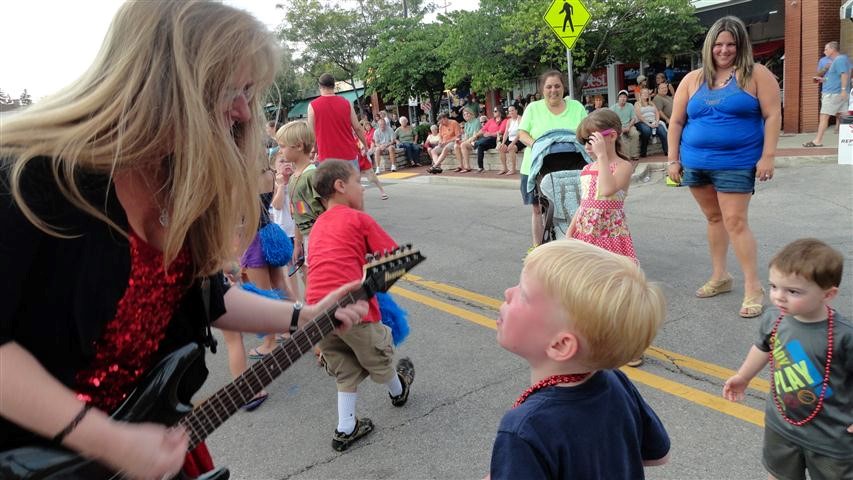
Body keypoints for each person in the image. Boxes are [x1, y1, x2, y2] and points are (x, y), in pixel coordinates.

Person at [0, 2, 368, 479]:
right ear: (161, 81)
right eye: (230, 89)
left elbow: (207, 297)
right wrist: (108, 441)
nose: (241, 111)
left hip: (143, 451)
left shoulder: (177, 180)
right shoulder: (30, 177)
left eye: (248, 92)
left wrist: (305, 316)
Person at [488, 239, 670, 479]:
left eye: (523, 293)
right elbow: (658, 455)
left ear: (561, 345)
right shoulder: (616, 383)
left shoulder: (526, 428)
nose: (508, 293)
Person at [667, 16, 781, 318]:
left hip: (737, 161)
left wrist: (768, 155)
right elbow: (676, 121)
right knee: (714, 219)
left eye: (731, 44)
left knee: (735, 221)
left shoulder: (756, 74)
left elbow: (772, 115)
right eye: (718, 44)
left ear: (740, 45)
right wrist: (672, 159)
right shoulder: (693, 79)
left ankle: (753, 287)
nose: (724, 50)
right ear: (709, 46)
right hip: (696, 162)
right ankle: (720, 276)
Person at [306, 160, 416, 451]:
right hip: (351, 310)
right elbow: (395, 259)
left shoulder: (318, 226)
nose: (363, 188)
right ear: (340, 186)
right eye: (358, 181)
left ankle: (346, 427)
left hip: (316, 314)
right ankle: (398, 390)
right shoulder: (357, 219)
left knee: (344, 367)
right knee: (378, 354)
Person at [723, 238, 852, 480]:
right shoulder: (774, 319)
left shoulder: (844, 336)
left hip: (830, 436)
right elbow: (762, 348)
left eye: (793, 291)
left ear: (828, 294)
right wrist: (743, 376)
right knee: (778, 474)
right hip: (781, 426)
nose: (779, 297)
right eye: (774, 286)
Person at [568, 110, 643, 366]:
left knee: (618, 294)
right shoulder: (587, 168)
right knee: (588, 291)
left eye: (593, 140)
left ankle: (630, 345)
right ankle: (594, 339)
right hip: (587, 236)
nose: (589, 147)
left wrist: (602, 156)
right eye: (586, 142)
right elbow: (585, 202)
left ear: (611, 136)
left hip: (611, 236)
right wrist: (571, 229)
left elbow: (608, 189)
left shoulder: (622, 166)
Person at [517, 70, 587, 249]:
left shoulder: (576, 107)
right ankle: (538, 247)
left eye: (557, 86)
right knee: (538, 209)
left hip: (573, 164)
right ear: (542, 89)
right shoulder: (533, 108)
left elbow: (586, 130)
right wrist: (537, 145)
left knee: (575, 205)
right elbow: (522, 133)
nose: (553, 90)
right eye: (549, 86)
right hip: (538, 165)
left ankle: (578, 242)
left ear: (563, 87)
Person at [276, 121, 325, 271]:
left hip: (323, 237)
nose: (280, 150)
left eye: (283, 146)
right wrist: (298, 244)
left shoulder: (312, 175)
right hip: (308, 239)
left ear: (299, 146)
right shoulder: (293, 178)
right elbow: (299, 214)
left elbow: (328, 208)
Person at [307, 73, 369, 166]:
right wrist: (365, 144)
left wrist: (313, 151)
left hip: (326, 157)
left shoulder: (312, 106)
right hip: (348, 156)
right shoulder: (346, 103)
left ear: (319, 86)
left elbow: (312, 134)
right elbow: (357, 127)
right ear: (334, 85)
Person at [804, 42, 851, 148]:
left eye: (826, 49)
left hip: (833, 93)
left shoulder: (839, 60)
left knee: (824, 116)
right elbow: (836, 77)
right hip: (837, 92)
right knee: (845, 117)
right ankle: (848, 140)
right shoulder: (840, 60)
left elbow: (844, 74)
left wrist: (843, 89)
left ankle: (818, 140)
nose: (824, 51)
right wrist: (823, 79)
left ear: (832, 50)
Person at [634, 87, 669, 157]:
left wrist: (657, 121)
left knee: (662, 131)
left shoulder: (652, 103)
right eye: (644, 93)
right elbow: (639, 116)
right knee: (647, 131)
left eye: (647, 93)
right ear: (640, 95)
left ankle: (667, 151)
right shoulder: (637, 104)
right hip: (642, 122)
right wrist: (649, 125)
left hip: (653, 122)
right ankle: (643, 152)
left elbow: (657, 113)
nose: (646, 94)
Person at [609, 89, 640, 161]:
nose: (623, 99)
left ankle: (634, 155)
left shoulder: (630, 106)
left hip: (629, 125)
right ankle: (626, 156)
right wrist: (620, 128)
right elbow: (611, 120)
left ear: (627, 98)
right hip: (618, 127)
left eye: (625, 97)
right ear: (618, 98)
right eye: (621, 97)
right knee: (621, 137)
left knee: (635, 134)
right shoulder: (613, 108)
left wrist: (629, 127)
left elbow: (633, 118)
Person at [473, 106, 507, 173]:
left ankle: (475, 144)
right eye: (493, 111)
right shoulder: (491, 120)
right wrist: (476, 136)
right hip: (487, 140)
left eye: (495, 111)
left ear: (500, 112)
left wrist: (489, 134)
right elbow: (483, 130)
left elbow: (501, 132)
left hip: (496, 140)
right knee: (480, 146)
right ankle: (481, 167)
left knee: (488, 138)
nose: (493, 112)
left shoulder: (504, 120)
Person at [497, 105, 524, 175]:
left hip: (519, 139)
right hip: (510, 139)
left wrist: (512, 143)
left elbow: (519, 133)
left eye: (512, 110)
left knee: (511, 148)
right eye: (509, 111)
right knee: (501, 148)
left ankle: (513, 169)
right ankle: (504, 168)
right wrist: (503, 143)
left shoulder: (520, 119)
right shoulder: (509, 121)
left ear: (516, 111)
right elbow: (506, 132)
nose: (511, 112)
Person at [453, 107, 480, 173]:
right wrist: (461, 140)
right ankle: (461, 165)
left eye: (467, 113)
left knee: (463, 145)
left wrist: (464, 142)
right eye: (464, 114)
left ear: (471, 114)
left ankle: (467, 166)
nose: (466, 115)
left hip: (476, 141)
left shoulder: (476, 121)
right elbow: (466, 136)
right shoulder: (467, 124)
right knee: (456, 146)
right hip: (468, 142)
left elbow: (475, 136)